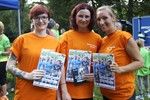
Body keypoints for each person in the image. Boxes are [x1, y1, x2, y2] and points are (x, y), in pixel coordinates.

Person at [6, 4, 68, 100]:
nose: (41, 21)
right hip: (25, 94)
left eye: (44, 17)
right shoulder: (22, 40)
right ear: (32, 20)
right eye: (37, 18)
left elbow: (60, 68)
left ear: (48, 19)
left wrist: (63, 92)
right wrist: (28, 75)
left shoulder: (55, 42)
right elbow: (9, 66)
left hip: (48, 95)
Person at [96, 5, 144, 100]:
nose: (101, 22)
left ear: (113, 18)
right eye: (98, 19)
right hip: (106, 93)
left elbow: (140, 62)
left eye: (105, 18)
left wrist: (120, 69)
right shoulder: (103, 41)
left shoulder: (124, 37)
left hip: (123, 95)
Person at [59, 3, 102, 100]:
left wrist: (96, 75)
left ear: (91, 18)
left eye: (87, 16)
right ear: (74, 17)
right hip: (68, 93)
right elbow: (60, 65)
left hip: (87, 92)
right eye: (80, 16)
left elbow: (100, 64)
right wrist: (64, 91)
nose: (83, 19)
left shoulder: (97, 39)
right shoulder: (66, 37)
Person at [0, 21, 10, 100]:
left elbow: (8, 52)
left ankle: (4, 95)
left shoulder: (5, 38)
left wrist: (1, 52)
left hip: (2, 61)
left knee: (2, 79)